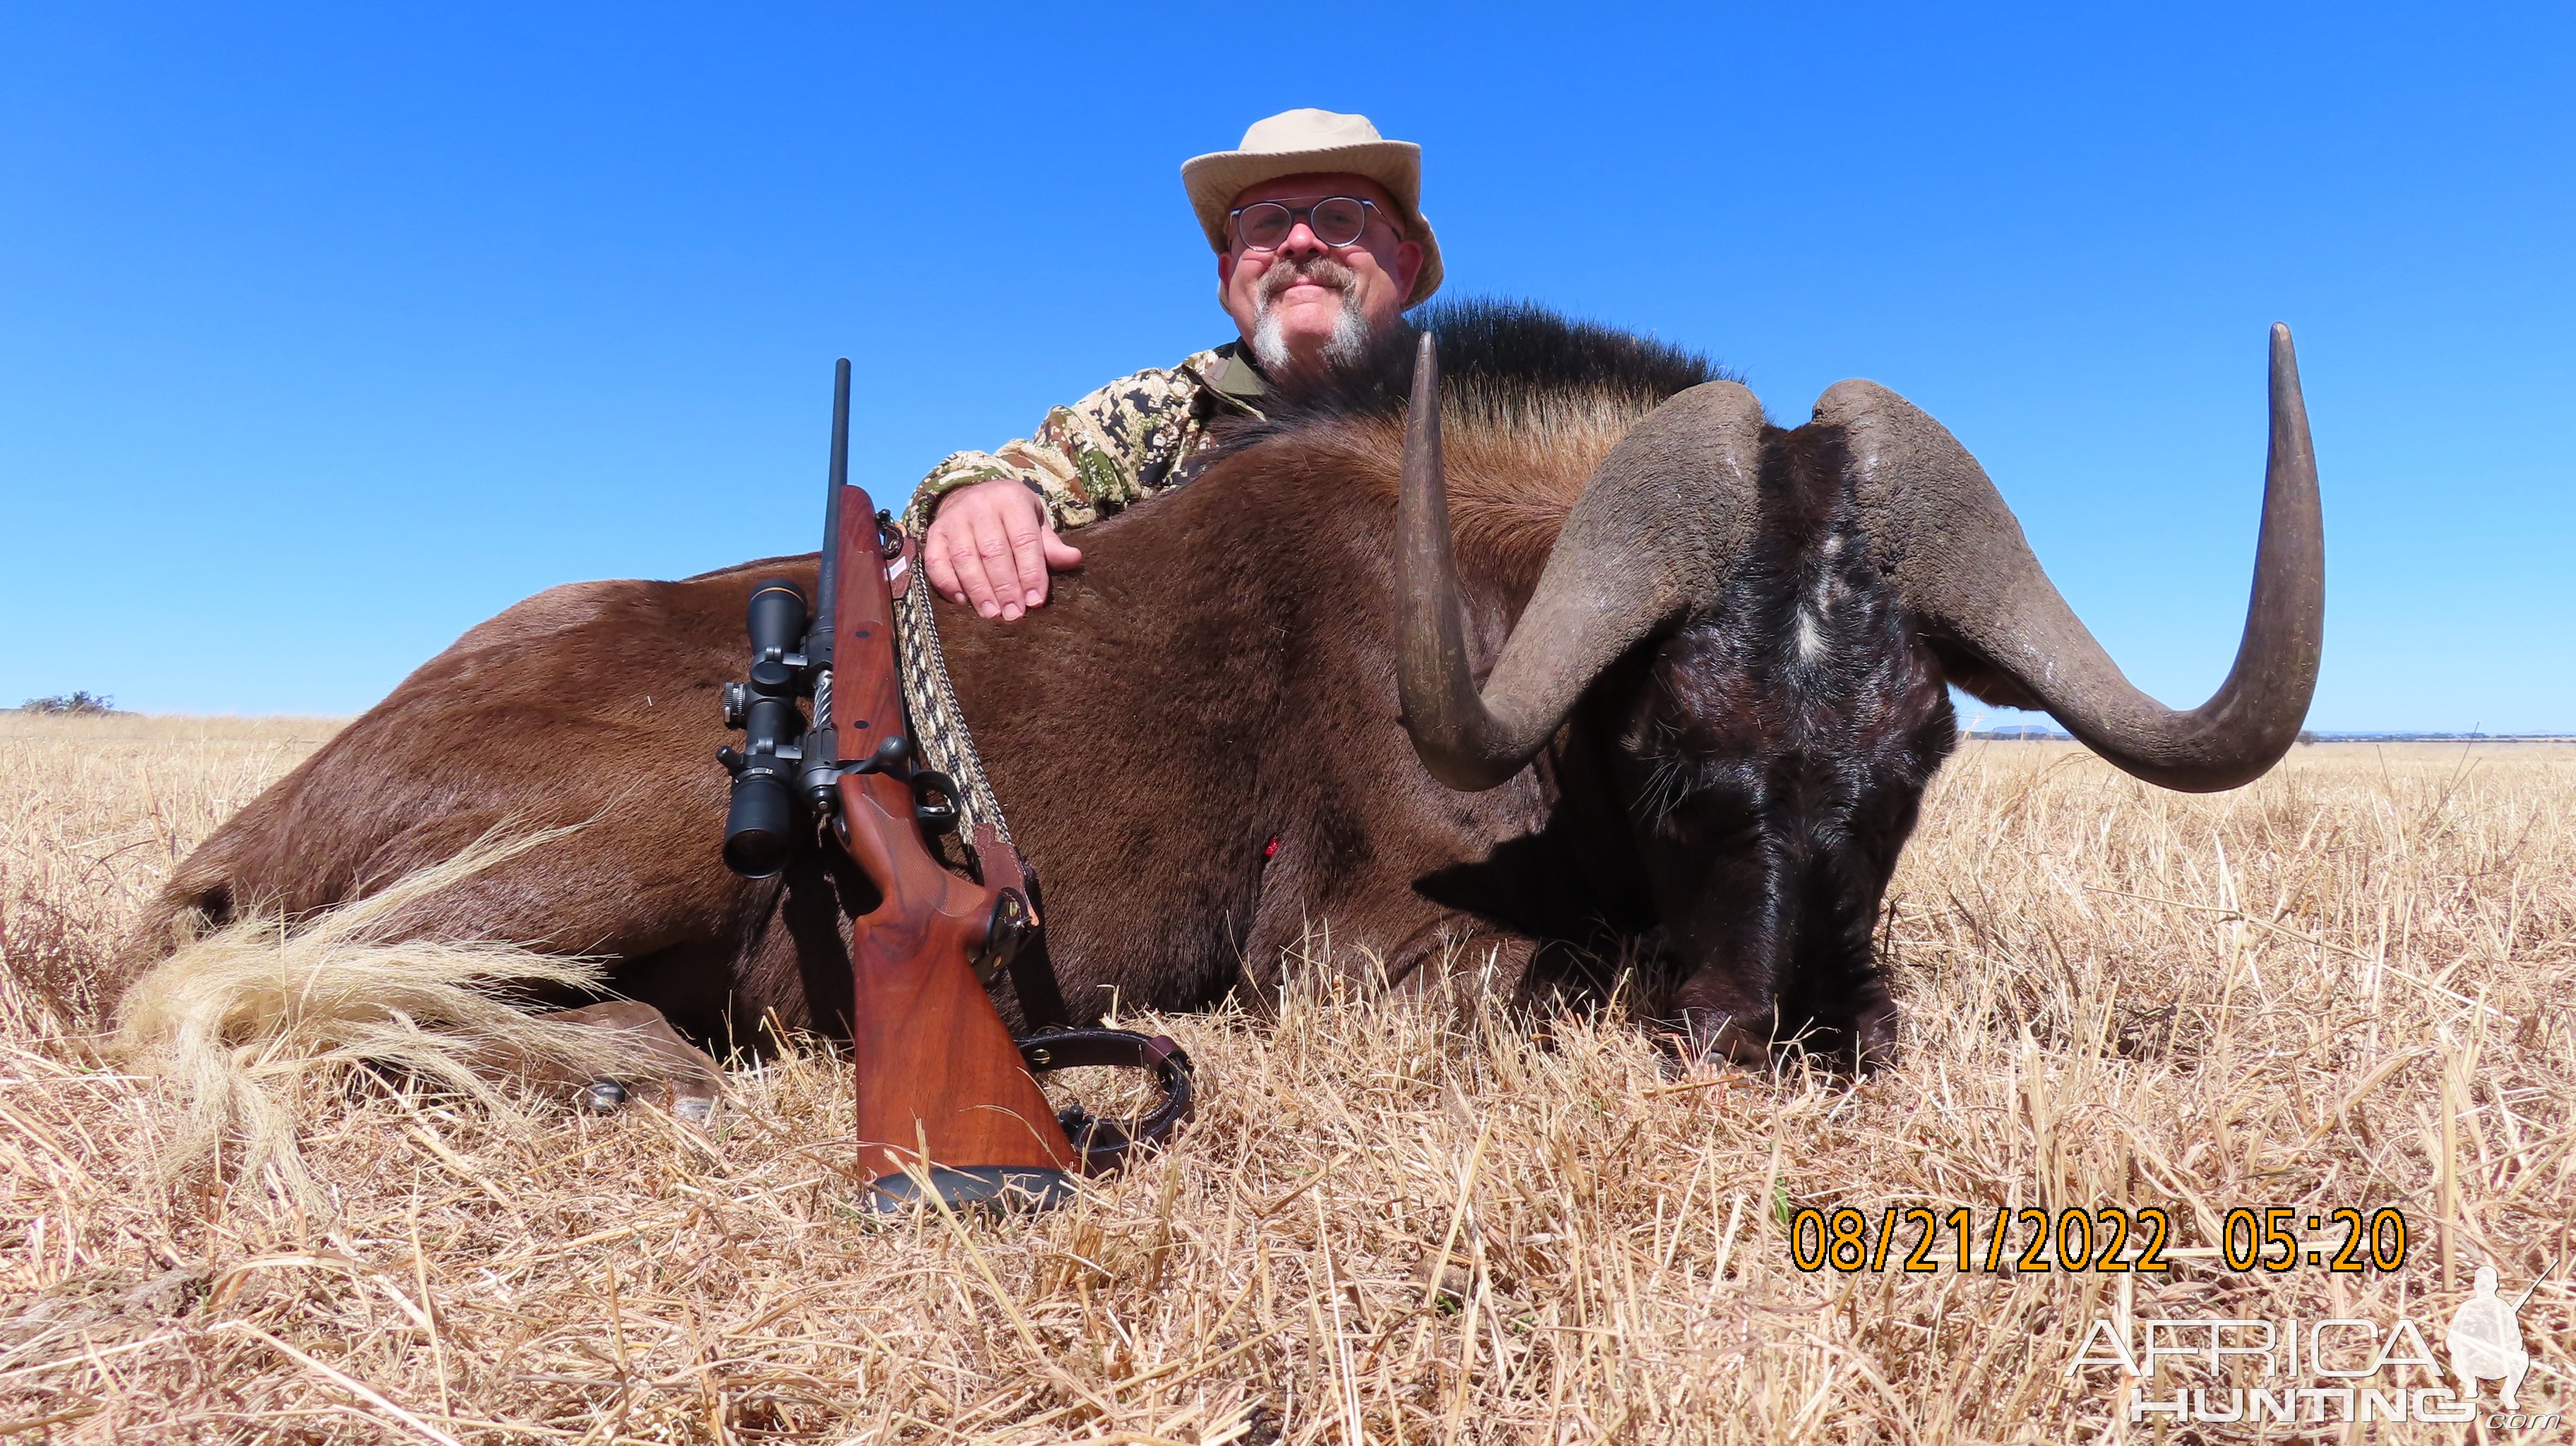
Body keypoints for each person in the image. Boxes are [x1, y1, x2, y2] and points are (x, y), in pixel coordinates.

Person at [910, 109, 1442, 622]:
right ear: (1232, 275)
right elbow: (1017, 473)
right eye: (1265, 225)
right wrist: (973, 498)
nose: (1300, 242)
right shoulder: (1156, 412)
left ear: (1403, 264)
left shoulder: (1487, 413)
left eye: (1340, 217)